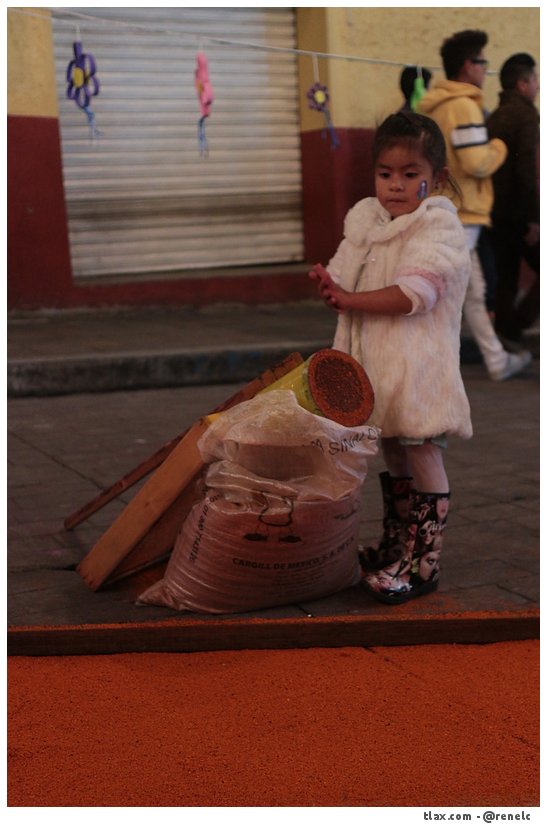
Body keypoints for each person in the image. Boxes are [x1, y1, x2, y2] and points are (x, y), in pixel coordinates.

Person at [309, 112, 472, 604]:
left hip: (419, 372)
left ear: (436, 178)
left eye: (409, 174)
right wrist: (331, 287)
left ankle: (423, 565)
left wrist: (350, 299)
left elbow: (414, 294)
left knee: (423, 454)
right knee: (395, 451)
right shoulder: (367, 221)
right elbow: (344, 279)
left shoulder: (438, 226)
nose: (395, 185)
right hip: (378, 370)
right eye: (385, 174)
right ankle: (396, 547)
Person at [419, 29, 532, 381]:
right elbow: (476, 163)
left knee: (471, 291)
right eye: (482, 62)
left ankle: (496, 360)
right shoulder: (464, 106)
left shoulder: (437, 107)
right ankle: (428, 366)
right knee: (448, 291)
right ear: (468, 65)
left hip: (446, 206)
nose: (485, 69)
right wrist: (499, 146)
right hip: (464, 211)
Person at [487, 53, 540, 351]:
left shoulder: (495, 115)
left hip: (495, 211)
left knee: (506, 277)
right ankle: (518, 325)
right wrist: (534, 219)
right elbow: (526, 170)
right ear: (522, 84)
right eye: (534, 79)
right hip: (519, 213)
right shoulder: (526, 116)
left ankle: (507, 336)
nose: (538, 85)